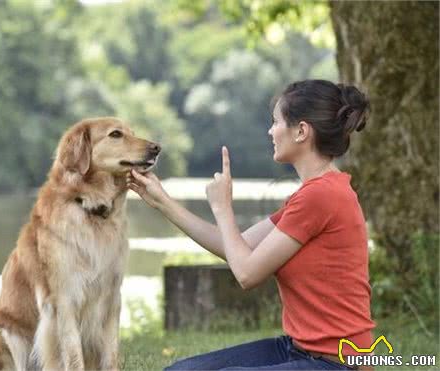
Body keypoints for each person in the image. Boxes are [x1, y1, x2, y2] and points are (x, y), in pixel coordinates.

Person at [127, 79, 375, 370]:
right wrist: (161, 201)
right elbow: (237, 248)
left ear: (301, 131)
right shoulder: (312, 194)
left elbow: (246, 274)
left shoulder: (322, 196)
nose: (270, 131)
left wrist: (222, 207)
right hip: (298, 350)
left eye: (275, 122)